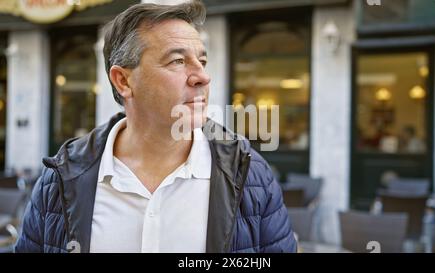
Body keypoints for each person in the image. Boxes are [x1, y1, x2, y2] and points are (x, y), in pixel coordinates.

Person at [14, 0, 296, 253]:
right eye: (178, 61)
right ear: (123, 81)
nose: (202, 76)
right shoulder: (61, 179)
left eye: (202, 60)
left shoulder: (249, 173)